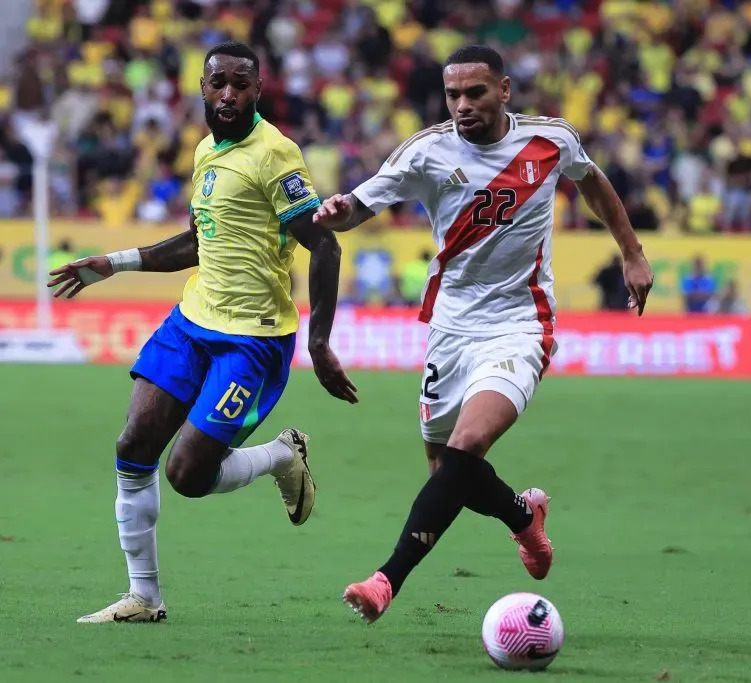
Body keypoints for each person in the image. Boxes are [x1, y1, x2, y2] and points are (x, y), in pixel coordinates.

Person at [313, 45, 654, 623]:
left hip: (521, 324)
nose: (463, 105)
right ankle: (524, 517)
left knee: (466, 450)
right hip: (450, 328)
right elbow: (360, 204)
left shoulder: (550, 140)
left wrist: (632, 253)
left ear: (504, 90)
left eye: (476, 92)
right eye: (453, 95)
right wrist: (337, 209)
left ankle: (384, 581)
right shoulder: (426, 151)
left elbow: (591, 181)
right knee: (448, 473)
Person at [48, 41, 357, 623]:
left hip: (254, 339)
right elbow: (198, 241)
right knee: (132, 445)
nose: (228, 94)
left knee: (187, 475)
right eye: (218, 83)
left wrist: (318, 342)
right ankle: (144, 598)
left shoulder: (275, 154)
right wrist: (110, 264)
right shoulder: (204, 152)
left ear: (258, 89)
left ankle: (281, 456)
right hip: (192, 323)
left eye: (241, 84)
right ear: (202, 86)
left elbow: (326, 243)